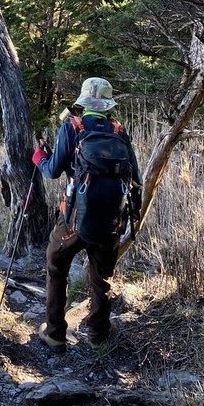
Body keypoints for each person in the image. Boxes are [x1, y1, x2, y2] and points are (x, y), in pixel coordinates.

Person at [32, 76, 142, 352]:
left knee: (56, 263)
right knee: (101, 278)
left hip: (74, 220)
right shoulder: (119, 132)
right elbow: (136, 178)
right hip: (110, 222)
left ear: (84, 102)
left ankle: (55, 333)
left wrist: (39, 158)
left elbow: (52, 171)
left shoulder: (73, 126)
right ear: (107, 104)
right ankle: (98, 337)